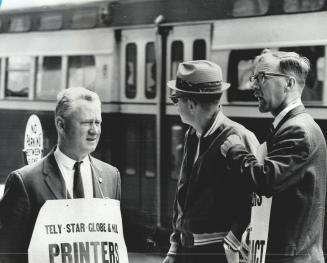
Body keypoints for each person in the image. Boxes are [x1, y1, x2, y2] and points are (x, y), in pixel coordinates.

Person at [221, 49, 327, 262]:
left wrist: (236, 151)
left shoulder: (297, 131)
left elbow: (265, 180)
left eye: (262, 77)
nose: (254, 85)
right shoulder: (293, 126)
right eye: (254, 78)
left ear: (289, 83)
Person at [0, 87, 121, 263]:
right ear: (61, 124)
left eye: (98, 122)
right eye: (87, 123)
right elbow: (7, 255)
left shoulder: (111, 177)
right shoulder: (24, 182)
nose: (94, 131)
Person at [163, 60, 259, 263]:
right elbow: (183, 193)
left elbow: (256, 201)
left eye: (175, 98)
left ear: (191, 104)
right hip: (189, 251)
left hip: (219, 254)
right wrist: (175, 246)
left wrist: (233, 243)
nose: (175, 104)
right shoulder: (193, 134)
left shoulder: (238, 137)